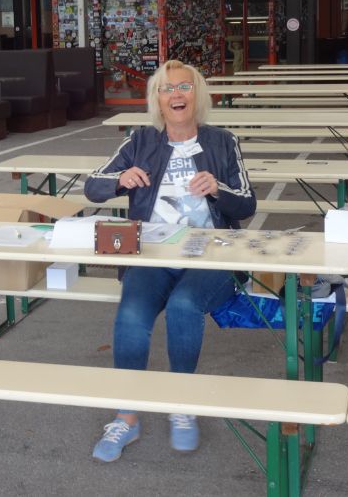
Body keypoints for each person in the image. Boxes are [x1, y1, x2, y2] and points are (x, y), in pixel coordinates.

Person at [84, 59, 256, 462]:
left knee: (183, 305)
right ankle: (127, 416)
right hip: (153, 255)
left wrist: (218, 189)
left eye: (184, 87)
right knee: (131, 315)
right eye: (166, 89)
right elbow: (93, 186)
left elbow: (247, 203)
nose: (175, 95)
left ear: (198, 95)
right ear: (156, 100)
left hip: (211, 255)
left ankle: (181, 402)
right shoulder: (141, 141)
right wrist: (119, 180)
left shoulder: (222, 141)